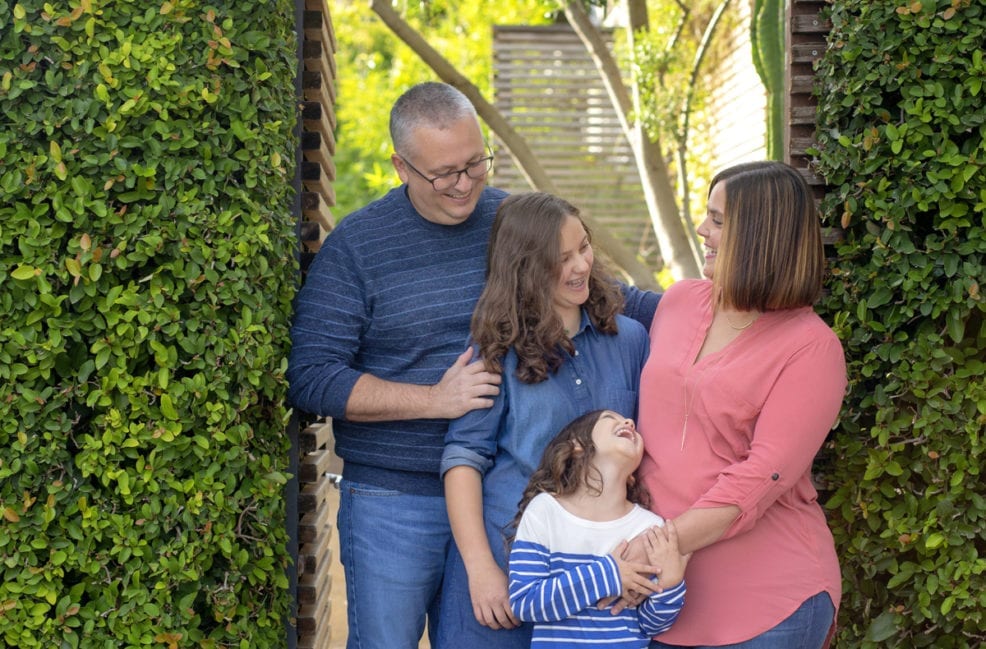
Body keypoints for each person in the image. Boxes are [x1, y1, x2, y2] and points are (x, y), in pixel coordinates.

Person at [286, 82, 508, 649]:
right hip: (391, 504)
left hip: (498, 495)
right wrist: (435, 400)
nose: (465, 185)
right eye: (444, 173)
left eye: (475, 163)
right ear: (401, 166)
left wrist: (713, 301)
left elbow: (602, 294)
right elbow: (313, 376)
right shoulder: (358, 246)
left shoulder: (512, 221)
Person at [633, 161, 847, 648]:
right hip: (661, 596)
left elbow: (760, 477)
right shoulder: (680, 301)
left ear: (761, 237)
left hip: (767, 603)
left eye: (719, 220)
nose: (703, 230)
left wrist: (650, 548)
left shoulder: (811, 348)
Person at [438, 192, 653, 648]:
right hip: (508, 567)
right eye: (562, 259)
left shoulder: (630, 340)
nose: (581, 266)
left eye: (584, 248)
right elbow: (463, 459)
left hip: (599, 576)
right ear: (525, 270)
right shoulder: (496, 349)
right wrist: (481, 569)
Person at [508, 409, 688, 648]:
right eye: (609, 418)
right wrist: (608, 574)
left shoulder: (650, 527)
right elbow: (525, 602)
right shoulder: (545, 511)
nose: (629, 422)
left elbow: (649, 626)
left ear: (633, 474)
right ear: (576, 446)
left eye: (629, 421)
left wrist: (671, 585)